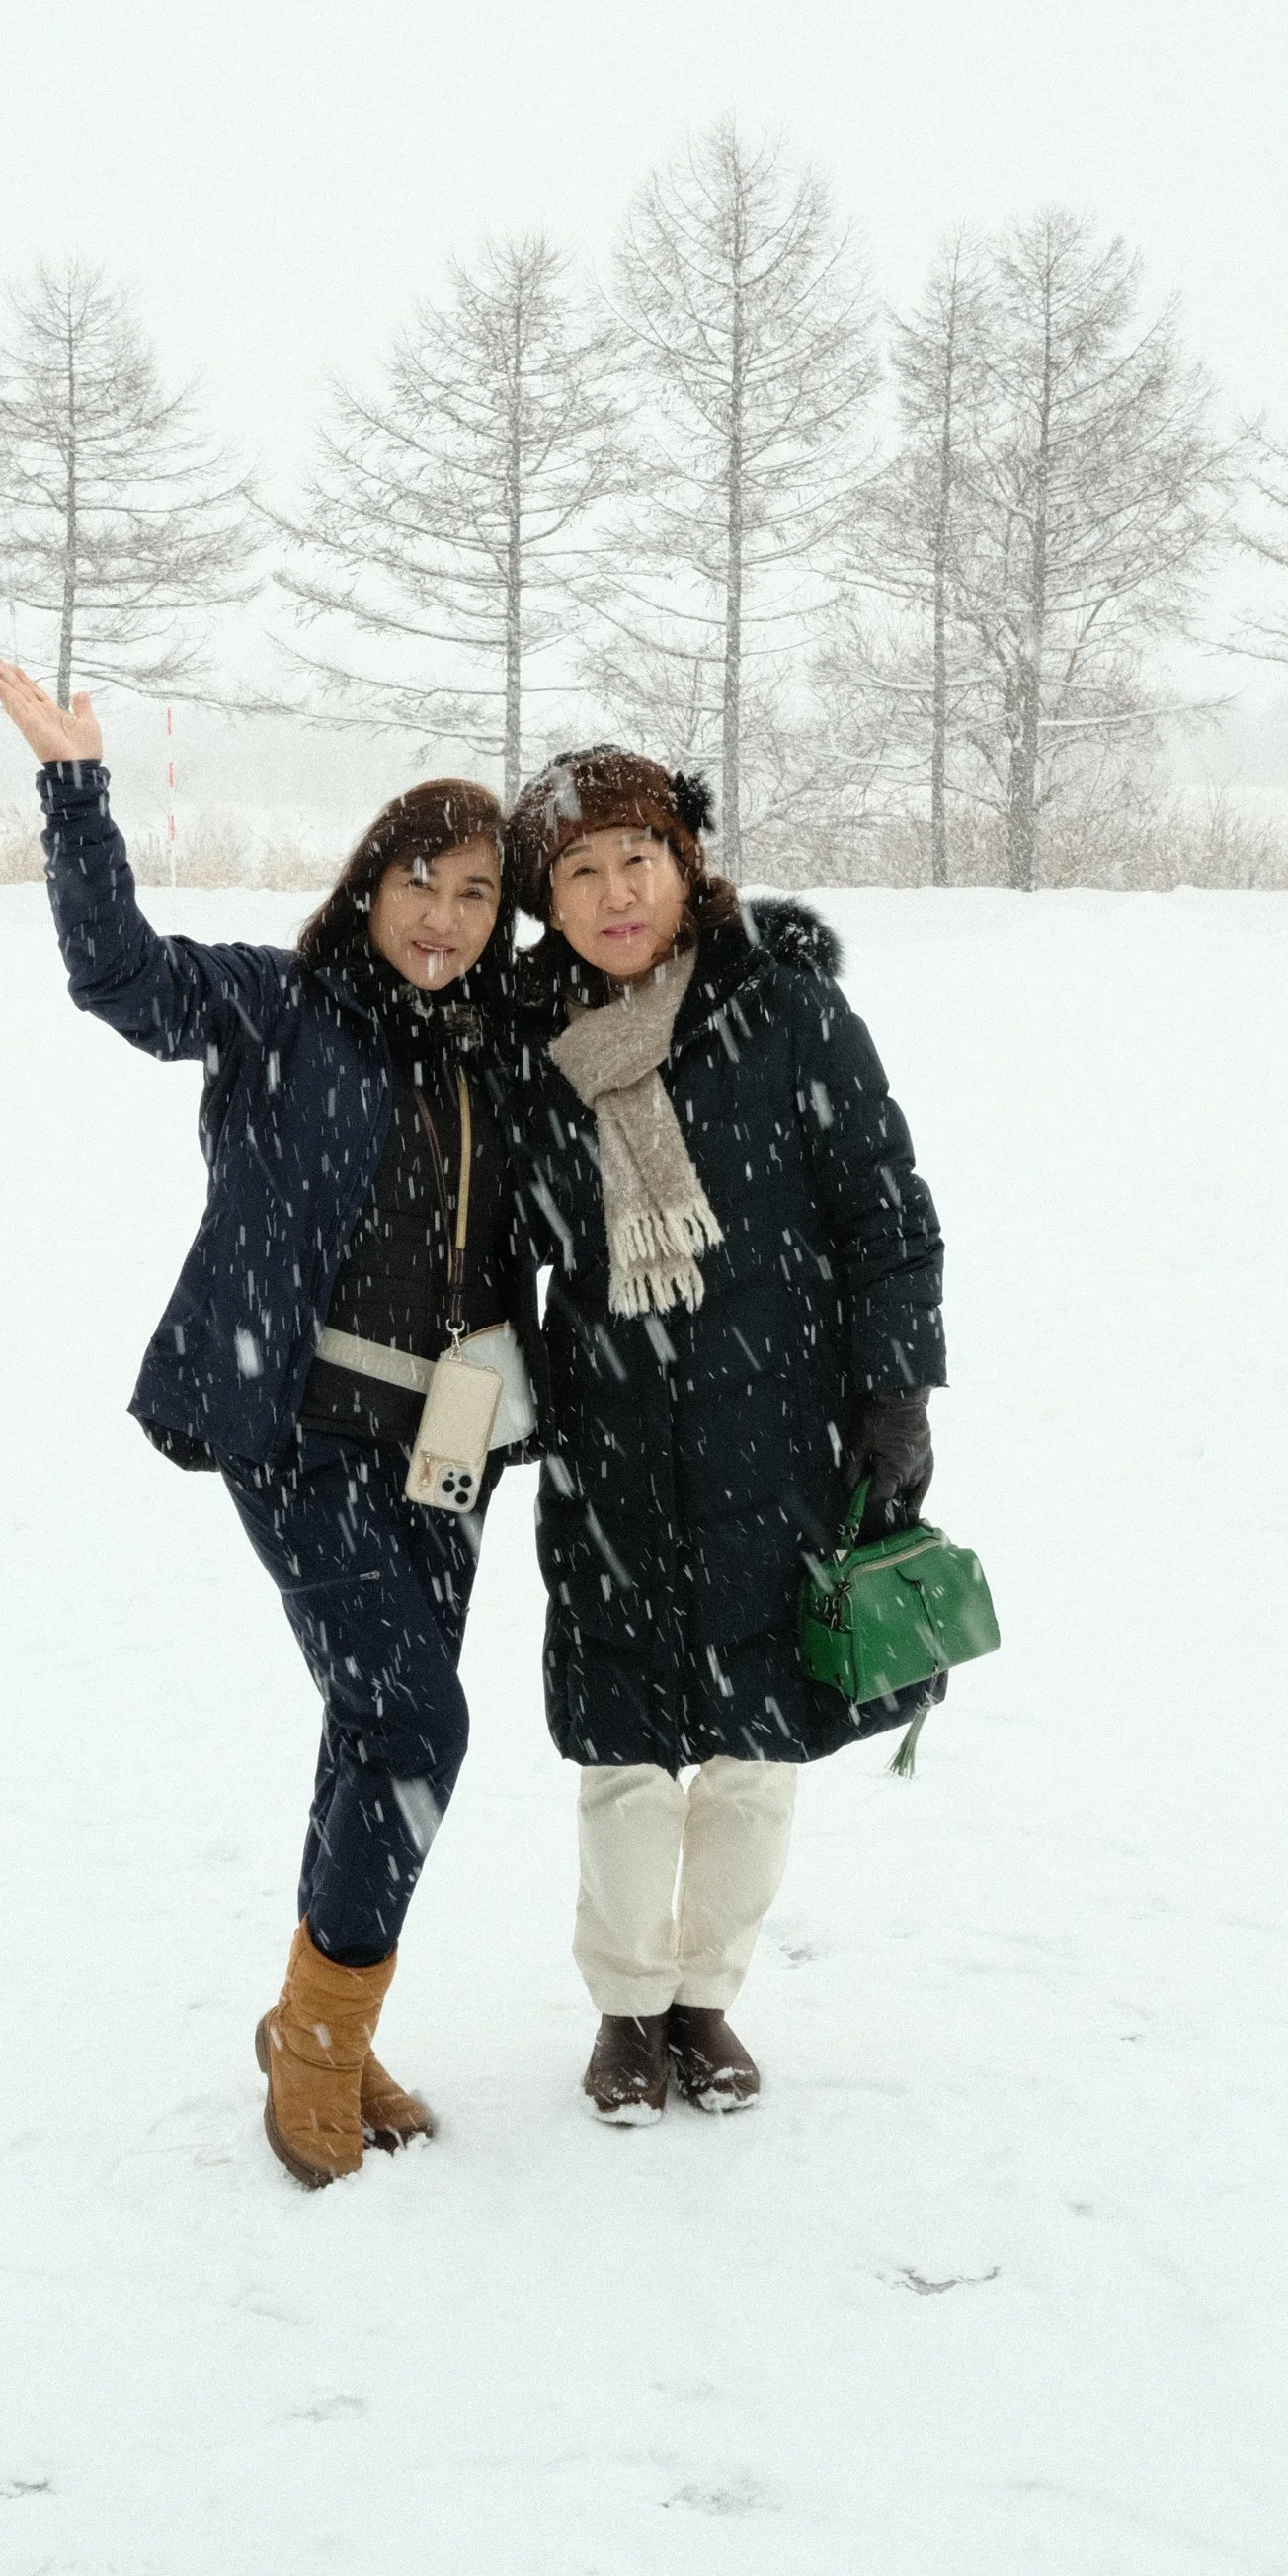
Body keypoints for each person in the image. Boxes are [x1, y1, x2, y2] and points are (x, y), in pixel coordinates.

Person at [0, 655, 542, 2191]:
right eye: (420, 881)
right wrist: (74, 788)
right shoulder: (278, 1004)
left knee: (372, 1728)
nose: (445, 917)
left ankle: (334, 2030)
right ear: (370, 884)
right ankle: (313, 2035)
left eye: (479, 894)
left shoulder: (507, 1047)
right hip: (294, 1427)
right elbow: (118, 975)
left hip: (453, 1442)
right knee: (419, 1723)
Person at [505, 745, 945, 2121]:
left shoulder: (791, 1014)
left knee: (754, 1745)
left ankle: (709, 1999)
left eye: (638, 855)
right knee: (626, 1748)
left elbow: (884, 1205)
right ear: (548, 903)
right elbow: (487, 1240)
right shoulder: (525, 1044)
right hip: (609, 1442)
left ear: (687, 862)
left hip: (776, 1437)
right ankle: (627, 2010)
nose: (615, 889)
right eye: (579, 870)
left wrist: (896, 1390)